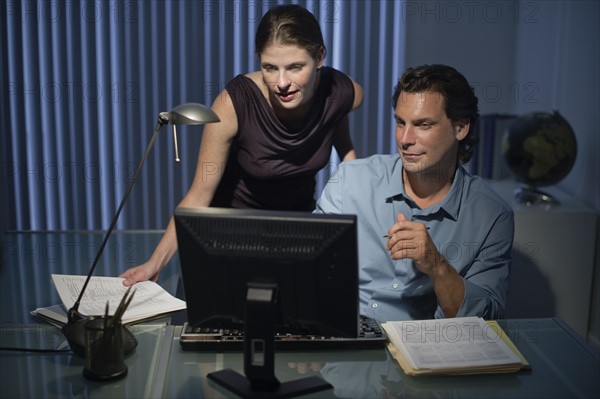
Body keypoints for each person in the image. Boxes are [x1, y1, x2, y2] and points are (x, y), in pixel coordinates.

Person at [120, 4, 363, 286]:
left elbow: (343, 143)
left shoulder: (345, 93)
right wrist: (155, 263)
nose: (282, 83)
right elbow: (199, 195)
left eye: (295, 67)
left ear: (319, 57)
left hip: (296, 238)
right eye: (270, 68)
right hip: (230, 238)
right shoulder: (233, 105)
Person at [315, 64, 514, 321]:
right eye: (400, 122)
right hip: (343, 338)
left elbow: (484, 318)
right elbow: (309, 272)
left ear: (461, 128)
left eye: (423, 125)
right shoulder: (349, 181)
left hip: (425, 352)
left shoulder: (493, 216)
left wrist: (436, 265)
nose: (405, 139)